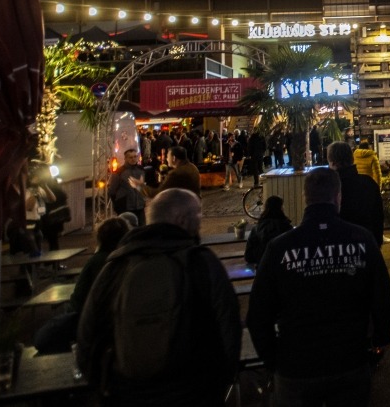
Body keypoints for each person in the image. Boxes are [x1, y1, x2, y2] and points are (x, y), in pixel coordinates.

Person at [76, 188, 241, 406]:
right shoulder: (200, 262)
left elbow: (87, 333)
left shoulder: (116, 266)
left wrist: (107, 387)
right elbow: (229, 325)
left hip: (127, 394)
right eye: (198, 214)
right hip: (192, 393)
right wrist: (216, 386)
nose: (201, 220)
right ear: (182, 220)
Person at [247, 167, 390, 406]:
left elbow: (258, 314)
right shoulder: (361, 239)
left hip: (296, 366)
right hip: (349, 360)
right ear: (338, 197)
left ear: (305, 198)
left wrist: (274, 361)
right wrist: (379, 339)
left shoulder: (279, 248)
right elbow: (382, 296)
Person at [34, 216, 130, 354]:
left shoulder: (97, 260)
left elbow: (80, 298)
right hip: (110, 318)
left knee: (44, 335)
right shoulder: (126, 259)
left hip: (85, 317)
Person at [327, 141, 385, 244]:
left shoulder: (328, 188)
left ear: (332, 162)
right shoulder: (369, 184)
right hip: (367, 245)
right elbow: (378, 218)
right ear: (352, 159)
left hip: (339, 248)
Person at [244, 195, 293, 268]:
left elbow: (248, 256)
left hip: (263, 269)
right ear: (280, 209)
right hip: (284, 268)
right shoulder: (287, 227)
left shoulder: (257, 228)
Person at [134, 145, 200, 197]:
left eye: (168, 156)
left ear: (174, 158)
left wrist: (140, 186)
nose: (167, 159)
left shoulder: (175, 174)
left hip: (182, 209)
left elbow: (158, 194)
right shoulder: (193, 167)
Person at [109, 149, 146, 225]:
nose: (133, 159)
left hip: (139, 205)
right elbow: (112, 190)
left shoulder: (141, 170)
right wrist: (117, 204)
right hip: (125, 206)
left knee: (141, 228)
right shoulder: (119, 172)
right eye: (130, 157)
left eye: (135, 157)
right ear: (125, 158)